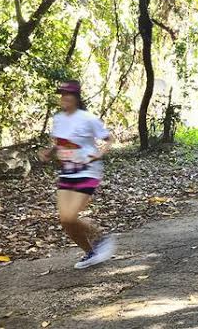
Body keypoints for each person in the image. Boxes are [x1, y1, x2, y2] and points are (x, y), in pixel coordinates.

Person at [39, 80, 116, 269]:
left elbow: (109, 139)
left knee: (70, 216)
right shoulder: (58, 119)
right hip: (67, 172)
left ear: (76, 97)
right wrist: (50, 152)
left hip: (88, 171)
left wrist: (99, 154)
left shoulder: (87, 119)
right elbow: (60, 142)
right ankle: (90, 252)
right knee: (65, 220)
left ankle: (100, 237)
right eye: (62, 94)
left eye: (68, 94)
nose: (64, 98)